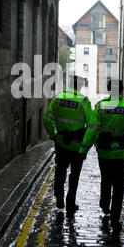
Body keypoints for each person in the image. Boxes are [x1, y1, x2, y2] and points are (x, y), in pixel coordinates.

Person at [79, 79, 124, 232]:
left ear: (108, 89)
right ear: (121, 90)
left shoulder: (100, 107)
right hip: (122, 154)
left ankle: (105, 204)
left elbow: (92, 130)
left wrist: (83, 150)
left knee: (105, 179)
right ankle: (115, 219)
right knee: (119, 187)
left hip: (105, 153)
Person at [44, 75, 92, 216]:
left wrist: (52, 135)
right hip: (77, 147)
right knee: (74, 174)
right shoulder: (83, 101)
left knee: (60, 170)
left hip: (61, 143)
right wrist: (86, 146)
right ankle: (70, 202)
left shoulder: (58, 98)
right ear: (80, 86)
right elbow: (91, 126)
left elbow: (47, 118)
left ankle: (59, 196)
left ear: (70, 84)